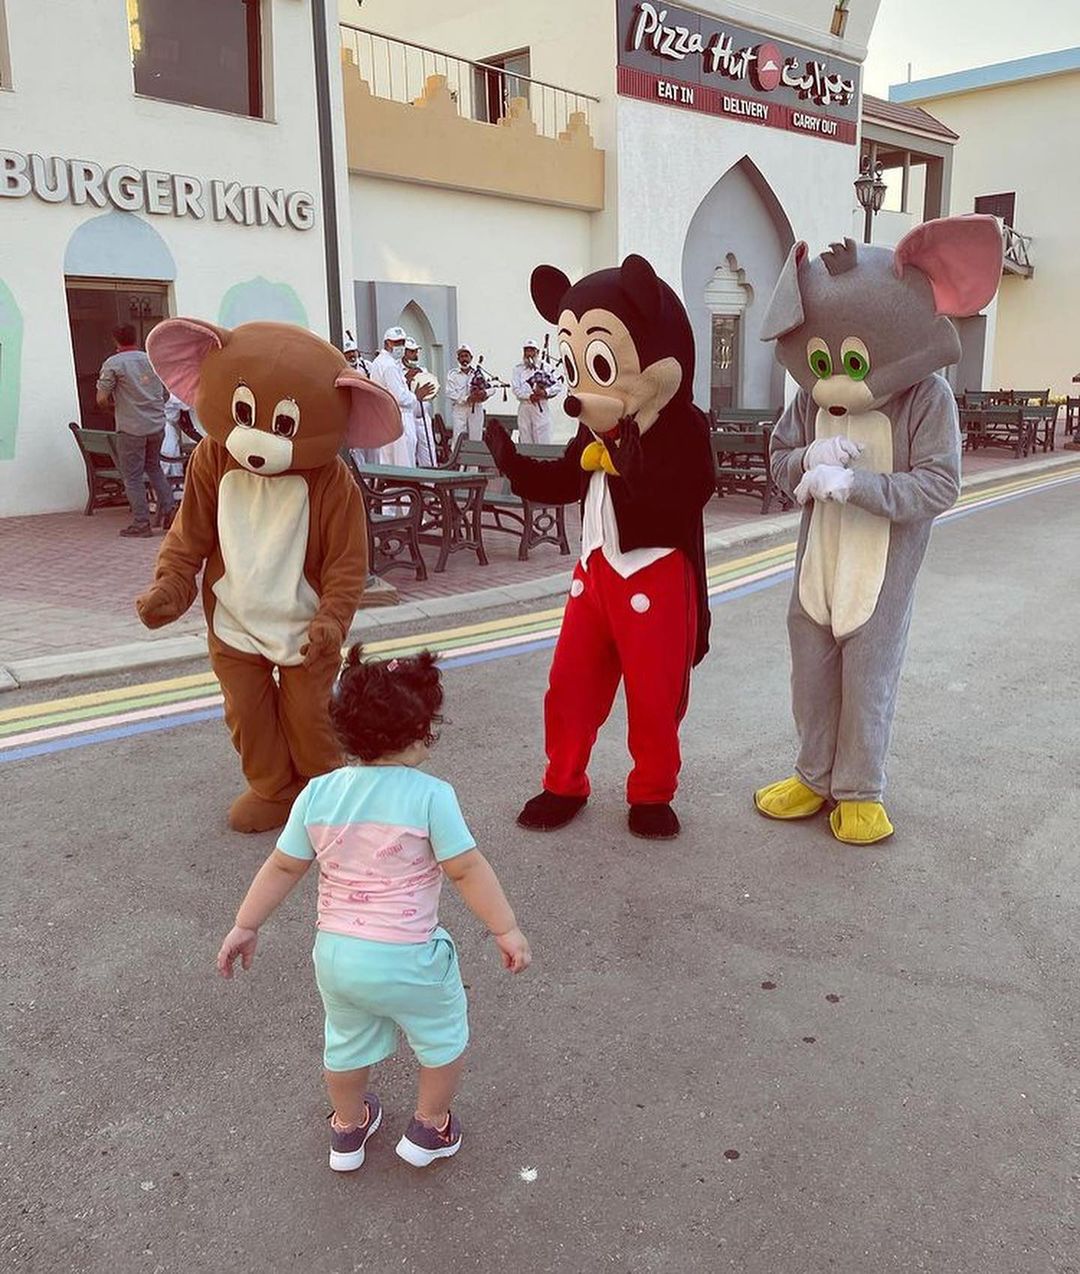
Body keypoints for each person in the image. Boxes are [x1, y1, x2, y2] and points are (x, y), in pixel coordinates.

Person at [216, 646, 531, 1172]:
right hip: (409, 956)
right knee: (441, 1037)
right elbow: (466, 869)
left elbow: (282, 867)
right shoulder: (431, 796)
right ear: (419, 732)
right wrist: (506, 928)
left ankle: (347, 1128)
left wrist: (245, 925)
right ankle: (430, 1128)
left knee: (344, 1043)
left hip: (338, 957)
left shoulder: (317, 794)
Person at [95, 324, 177, 537]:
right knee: (154, 468)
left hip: (131, 428)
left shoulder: (113, 363)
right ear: (136, 338)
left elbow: (101, 398)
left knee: (132, 477)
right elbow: (166, 395)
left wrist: (114, 409)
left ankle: (142, 523)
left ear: (116, 340)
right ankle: (170, 513)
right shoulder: (151, 360)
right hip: (156, 426)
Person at [367, 326, 427, 466]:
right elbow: (400, 397)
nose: (400, 346)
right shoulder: (389, 365)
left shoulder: (379, 362)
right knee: (403, 462)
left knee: (389, 461)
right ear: (388, 343)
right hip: (399, 418)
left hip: (386, 418)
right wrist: (416, 396)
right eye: (396, 342)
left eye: (402, 342)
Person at [511, 340, 560, 444]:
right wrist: (529, 396)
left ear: (537, 352)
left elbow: (557, 385)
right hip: (525, 406)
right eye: (526, 350)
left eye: (531, 350)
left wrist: (545, 392)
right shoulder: (518, 369)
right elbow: (516, 389)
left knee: (542, 435)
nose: (529, 353)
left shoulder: (546, 367)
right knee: (525, 435)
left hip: (540, 405)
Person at [403, 338, 440, 467]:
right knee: (409, 452)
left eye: (416, 351)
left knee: (428, 451)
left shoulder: (422, 370)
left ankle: (430, 484)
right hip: (408, 416)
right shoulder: (398, 371)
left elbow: (431, 389)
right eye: (411, 352)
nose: (415, 355)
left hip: (423, 417)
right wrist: (407, 379)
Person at [445, 344, 489, 444]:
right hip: (460, 409)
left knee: (476, 437)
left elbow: (491, 388)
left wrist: (482, 394)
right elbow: (450, 393)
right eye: (461, 356)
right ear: (458, 359)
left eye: (466, 356)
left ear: (471, 358)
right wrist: (467, 399)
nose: (464, 359)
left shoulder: (478, 373)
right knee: (458, 436)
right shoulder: (452, 374)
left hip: (476, 408)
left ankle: (475, 458)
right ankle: (458, 459)